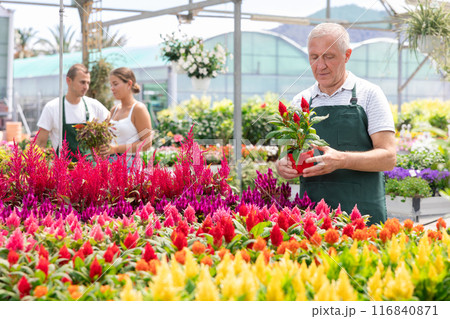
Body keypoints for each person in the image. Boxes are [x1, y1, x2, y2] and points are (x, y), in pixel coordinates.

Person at [276, 23, 396, 225]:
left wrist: (342, 160)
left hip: (362, 216)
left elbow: (388, 158)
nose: (320, 65)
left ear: (347, 55)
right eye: (314, 57)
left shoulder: (369, 94)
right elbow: (289, 154)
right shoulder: (300, 101)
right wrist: (283, 165)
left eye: (329, 57)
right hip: (313, 218)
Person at [36, 64, 110, 161]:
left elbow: (111, 118)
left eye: (88, 83)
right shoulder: (52, 107)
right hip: (64, 170)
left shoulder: (94, 105)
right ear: (69, 81)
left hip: (90, 170)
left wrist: (105, 143)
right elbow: (41, 142)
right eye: (82, 82)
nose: (86, 87)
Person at [99, 67, 152, 164]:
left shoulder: (138, 109)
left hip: (129, 164)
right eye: (111, 85)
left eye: (115, 84)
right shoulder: (114, 110)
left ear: (129, 84)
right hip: (111, 162)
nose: (112, 88)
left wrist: (116, 149)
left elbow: (147, 144)